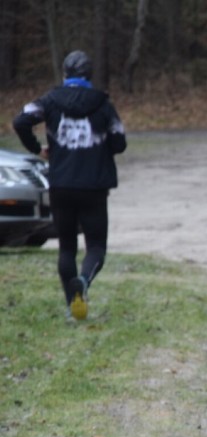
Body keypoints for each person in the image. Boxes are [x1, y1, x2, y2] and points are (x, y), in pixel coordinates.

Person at [13, 49, 127, 321]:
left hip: (61, 184)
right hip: (94, 186)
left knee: (67, 247)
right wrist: (100, 149)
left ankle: (71, 306)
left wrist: (37, 149)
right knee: (96, 246)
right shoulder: (102, 104)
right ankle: (84, 281)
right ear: (89, 75)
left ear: (65, 74)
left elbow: (21, 121)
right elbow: (119, 143)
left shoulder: (50, 100)